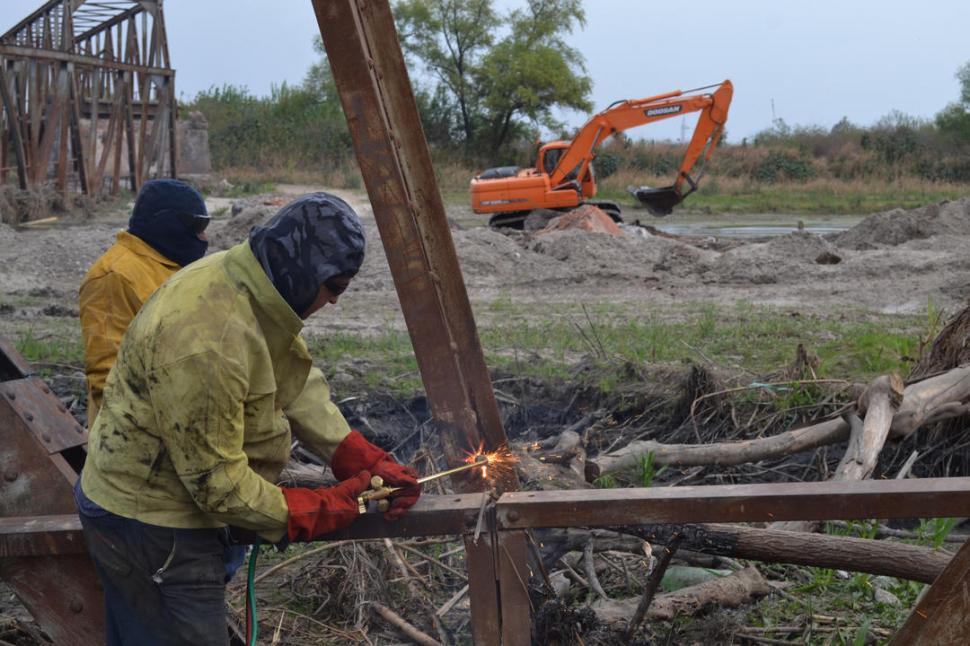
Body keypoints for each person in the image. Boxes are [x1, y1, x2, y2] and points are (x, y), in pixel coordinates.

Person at [75, 193, 421, 645]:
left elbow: (294, 383)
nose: (334, 302)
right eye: (333, 287)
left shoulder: (254, 283)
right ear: (302, 270)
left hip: (178, 508)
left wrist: (358, 457)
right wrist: (330, 506)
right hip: (152, 526)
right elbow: (219, 487)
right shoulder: (206, 339)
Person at [79, 178, 211, 425]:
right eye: (196, 225)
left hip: (183, 422)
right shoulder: (113, 277)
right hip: (136, 439)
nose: (203, 237)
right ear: (166, 223)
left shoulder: (171, 264)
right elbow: (109, 378)